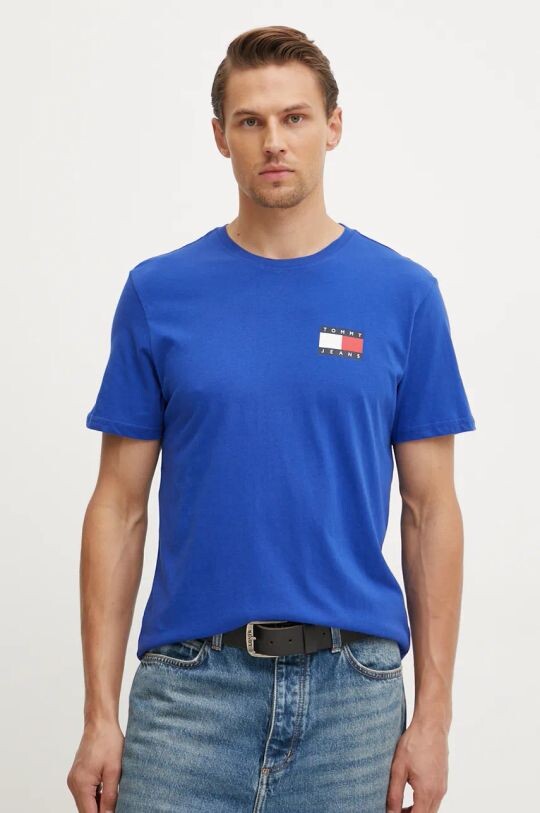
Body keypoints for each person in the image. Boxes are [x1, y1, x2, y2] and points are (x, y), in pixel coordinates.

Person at [67, 24, 476, 813]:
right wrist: (98, 715)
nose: (274, 141)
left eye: (294, 117)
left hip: (353, 702)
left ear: (333, 125)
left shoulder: (404, 296)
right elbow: (118, 506)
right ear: (221, 137)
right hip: (189, 698)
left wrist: (434, 718)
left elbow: (431, 510)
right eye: (250, 121)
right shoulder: (158, 293)